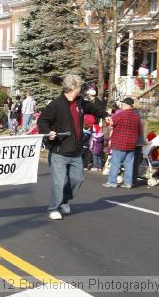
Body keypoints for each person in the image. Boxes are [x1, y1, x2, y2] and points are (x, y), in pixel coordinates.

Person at [38, 74, 111, 220]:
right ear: (73, 88)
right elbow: (42, 121)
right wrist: (49, 132)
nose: (81, 89)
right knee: (58, 182)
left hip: (75, 152)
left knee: (78, 179)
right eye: (79, 86)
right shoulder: (56, 105)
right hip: (59, 151)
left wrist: (104, 115)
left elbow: (94, 108)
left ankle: (64, 201)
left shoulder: (80, 103)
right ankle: (54, 207)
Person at [102, 97, 141, 189]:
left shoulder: (121, 114)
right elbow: (139, 131)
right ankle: (128, 183)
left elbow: (110, 123)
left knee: (115, 163)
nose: (122, 105)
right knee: (129, 164)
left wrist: (108, 116)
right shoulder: (136, 117)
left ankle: (112, 182)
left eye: (123, 104)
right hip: (131, 144)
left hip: (119, 142)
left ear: (126, 105)